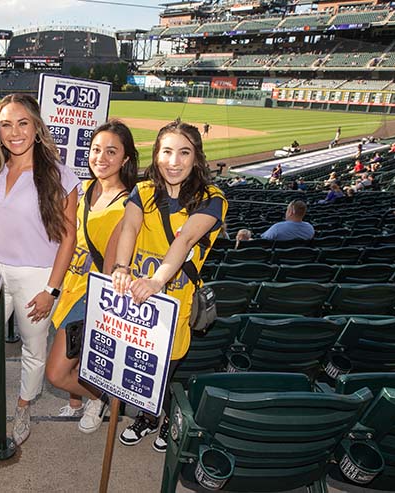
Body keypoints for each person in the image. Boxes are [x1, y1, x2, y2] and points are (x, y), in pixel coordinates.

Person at [0, 94, 79, 446]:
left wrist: (52, 290)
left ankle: (24, 406)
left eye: (23, 123)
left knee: (33, 347)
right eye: (6, 124)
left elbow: (69, 238)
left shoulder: (60, 175)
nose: (15, 132)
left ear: (37, 128)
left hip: (36, 276)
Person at [110, 121, 227, 453]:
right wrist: (121, 267)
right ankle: (149, 416)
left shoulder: (212, 199)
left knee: (162, 369)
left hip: (173, 301)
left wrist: (157, 281)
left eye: (184, 152)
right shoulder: (143, 191)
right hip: (135, 298)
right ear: (156, 155)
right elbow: (130, 228)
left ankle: (160, 416)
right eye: (167, 152)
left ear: (196, 158)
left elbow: (186, 238)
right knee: (138, 364)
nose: (174, 161)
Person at [45, 120, 138, 434]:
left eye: (112, 151)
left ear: (125, 159)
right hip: (68, 286)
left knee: (57, 372)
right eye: (96, 149)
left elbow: (112, 267)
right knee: (73, 352)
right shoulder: (84, 189)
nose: (101, 157)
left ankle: (100, 396)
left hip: (90, 294)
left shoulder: (126, 205)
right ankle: (76, 403)